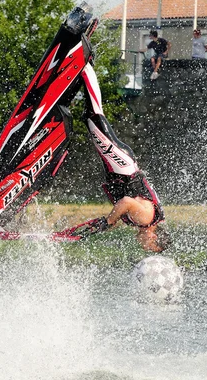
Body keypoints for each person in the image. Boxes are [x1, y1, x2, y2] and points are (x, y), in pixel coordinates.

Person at [64, 64, 172, 252]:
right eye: (148, 247)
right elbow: (127, 202)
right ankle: (84, 66)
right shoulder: (146, 219)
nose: (143, 246)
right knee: (94, 118)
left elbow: (128, 204)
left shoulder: (145, 221)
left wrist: (111, 222)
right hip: (122, 168)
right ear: (154, 237)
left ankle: (76, 76)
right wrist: (110, 220)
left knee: (92, 120)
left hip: (123, 166)